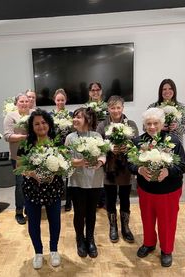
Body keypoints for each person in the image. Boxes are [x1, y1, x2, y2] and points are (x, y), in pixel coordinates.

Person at [127, 108, 185, 267]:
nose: (152, 127)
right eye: (148, 124)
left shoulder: (173, 141)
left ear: (162, 124)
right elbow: (130, 163)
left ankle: (167, 250)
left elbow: (182, 165)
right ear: (144, 125)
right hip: (146, 189)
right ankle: (149, 243)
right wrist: (139, 169)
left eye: (155, 123)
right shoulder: (138, 142)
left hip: (169, 190)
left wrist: (168, 171)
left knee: (167, 221)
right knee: (147, 218)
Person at [17, 109, 64, 269]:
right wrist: (33, 174)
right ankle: (38, 252)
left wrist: (56, 172)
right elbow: (19, 166)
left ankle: (54, 250)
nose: (41, 126)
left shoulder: (57, 142)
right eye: (36, 123)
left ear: (49, 124)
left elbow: (65, 163)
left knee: (55, 221)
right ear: (32, 126)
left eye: (43, 122)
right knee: (34, 223)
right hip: (32, 189)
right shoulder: (26, 144)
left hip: (53, 188)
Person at [96, 95, 138, 244]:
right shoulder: (102, 125)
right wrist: (109, 148)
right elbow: (98, 145)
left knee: (125, 198)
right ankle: (112, 226)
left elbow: (136, 143)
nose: (115, 110)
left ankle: (125, 227)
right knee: (110, 198)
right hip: (109, 168)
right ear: (108, 109)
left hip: (125, 167)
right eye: (112, 107)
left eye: (118, 107)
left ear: (123, 108)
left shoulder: (131, 124)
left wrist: (127, 147)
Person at [65, 107, 106, 258]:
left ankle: (90, 239)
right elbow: (66, 159)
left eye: (79, 117)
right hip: (76, 180)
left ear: (87, 120)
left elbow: (103, 154)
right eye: (74, 116)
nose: (75, 119)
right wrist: (80, 162)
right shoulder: (70, 137)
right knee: (79, 212)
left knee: (91, 212)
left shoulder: (96, 136)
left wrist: (100, 162)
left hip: (95, 179)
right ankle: (79, 239)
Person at [3, 93, 30, 224]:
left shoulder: (33, 114)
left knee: (32, 182)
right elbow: (7, 136)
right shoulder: (11, 116)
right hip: (17, 156)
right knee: (20, 184)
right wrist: (23, 137)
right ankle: (19, 211)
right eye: (21, 101)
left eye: (26, 101)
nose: (24, 103)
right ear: (16, 103)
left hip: (33, 155)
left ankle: (29, 209)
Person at [49, 88, 73, 212]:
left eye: (62, 100)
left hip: (68, 148)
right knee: (56, 173)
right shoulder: (50, 115)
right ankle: (56, 200)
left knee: (69, 174)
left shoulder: (71, 115)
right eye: (58, 100)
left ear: (66, 100)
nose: (60, 102)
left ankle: (69, 202)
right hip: (55, 148)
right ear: (54, 100)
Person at [147, 79, 185, 144]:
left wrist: (177, 126)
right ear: (160, 91)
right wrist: (158, 127)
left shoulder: (181, 107)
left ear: (174, 91)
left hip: (176, 145)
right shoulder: (153, 107)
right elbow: (145, 127)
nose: (167, 91)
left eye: (170, 89)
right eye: (164, 89)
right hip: (156, 144)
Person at [87, 82, 108, 208]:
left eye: (97, 89)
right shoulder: (86, 107)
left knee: (103, 169)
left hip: (104, 139)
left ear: (101, 91)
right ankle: (94, 199)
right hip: (89, 141)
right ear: (89, 92)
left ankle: (104, 199)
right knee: (91, 170)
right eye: (93, 90)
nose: (95, 92)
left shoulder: (107, 106)